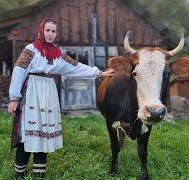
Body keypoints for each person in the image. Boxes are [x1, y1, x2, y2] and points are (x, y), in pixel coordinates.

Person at [7, 18, 114, 179]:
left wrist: (98, 72)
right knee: (28, 133)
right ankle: (19, 174)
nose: (50, 34)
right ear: (41, 31)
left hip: (48, 92)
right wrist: (14, 97)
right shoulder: (30, 50)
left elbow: (75, 67)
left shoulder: (57, 54)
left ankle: (39, 175)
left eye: (53, 31)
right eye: (47, 30)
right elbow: (19, 71)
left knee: (43, 133)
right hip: (32, 92)